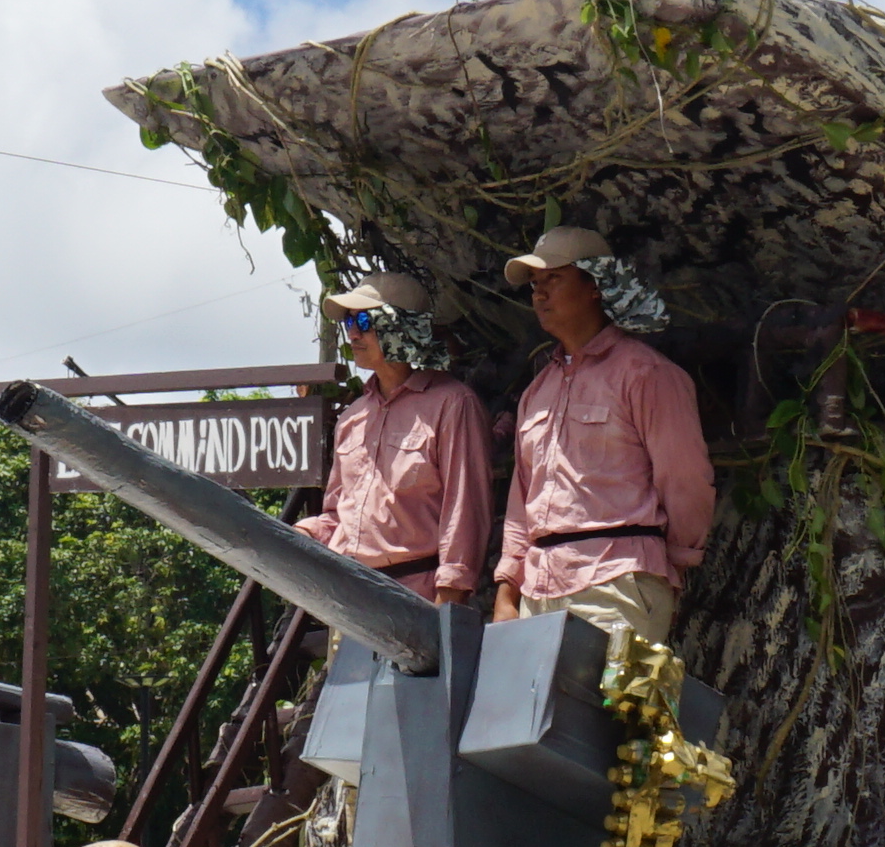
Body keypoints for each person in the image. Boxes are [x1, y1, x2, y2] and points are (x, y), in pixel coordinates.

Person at [492, 226, 715, 644]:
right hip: (537, 593)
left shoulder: (646, 374)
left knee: (611, 711)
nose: (539, 294)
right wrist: (508, 589)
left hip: (618, 584)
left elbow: (684, 479)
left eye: (553, 279)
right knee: (538, 712)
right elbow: (521, 503)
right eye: (535, 284)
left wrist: (669, 568)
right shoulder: (538, 392)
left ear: (595, 285)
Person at [300, 273, 496, 605]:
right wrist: (298, 536)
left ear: (401, 326)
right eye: (349, 320)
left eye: (364, 319)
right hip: (350, 601)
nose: (353, 332)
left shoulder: (452, 404)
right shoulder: (352, 418)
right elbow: (336, 516)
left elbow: (465, 511)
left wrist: (447, 603)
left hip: (416, 598)